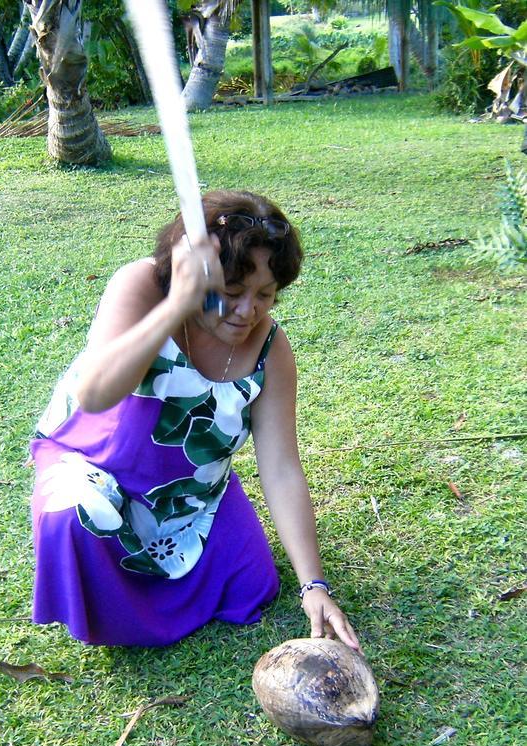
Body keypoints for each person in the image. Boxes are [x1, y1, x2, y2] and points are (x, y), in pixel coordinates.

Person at [30, 189, 361, 652]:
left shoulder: (271, 351)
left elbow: (282, 467)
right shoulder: (143, 285)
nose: (247, 311)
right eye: (230, 292)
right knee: (76, 518)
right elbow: (95, 392)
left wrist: (314, 585)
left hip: (190, 494)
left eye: (265, 295)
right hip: (95, 469)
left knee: (255, 587)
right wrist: (176, 306)